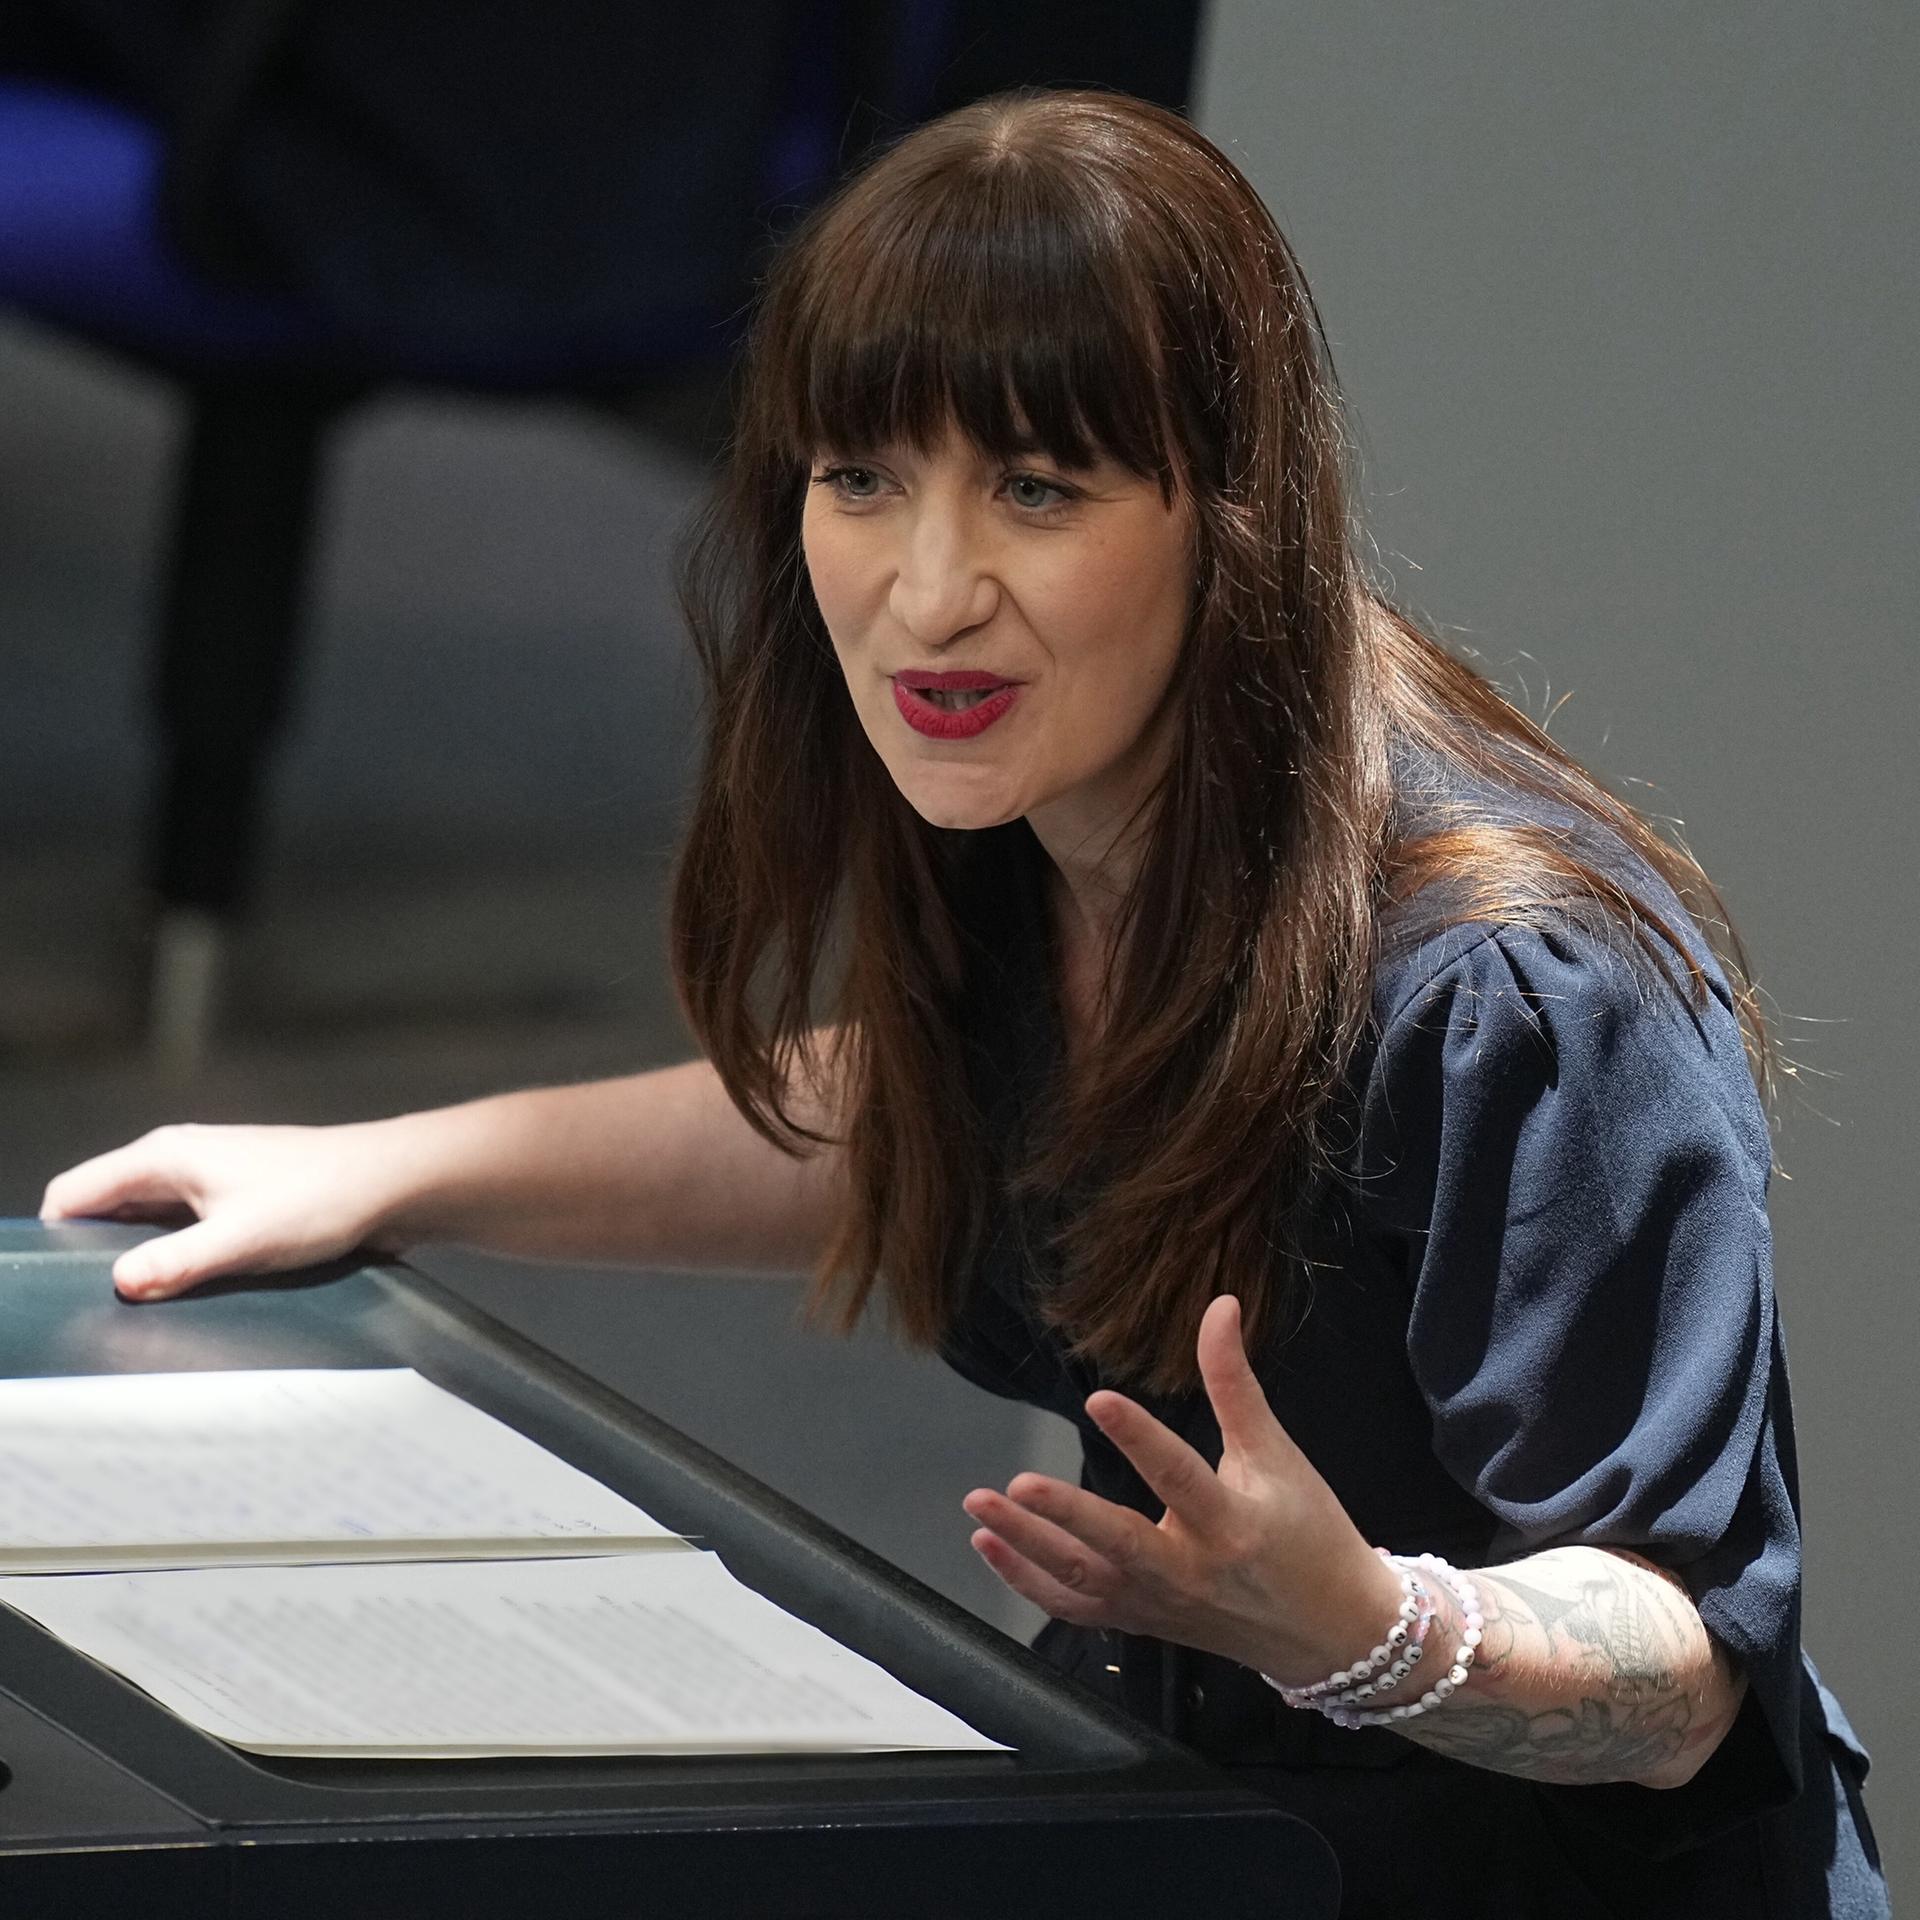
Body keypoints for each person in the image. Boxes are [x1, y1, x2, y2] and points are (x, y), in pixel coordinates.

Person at [40, 90, 1888, 1918]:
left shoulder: (1518, 986)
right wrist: (383, 1171)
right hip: (1214, 1823)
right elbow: (928, 1106)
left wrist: (1368, 1627)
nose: (928, 595)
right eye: (863, 480)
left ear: (1229, 516)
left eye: (1036, 489)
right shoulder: (1040, 796)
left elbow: (1675, 1669)